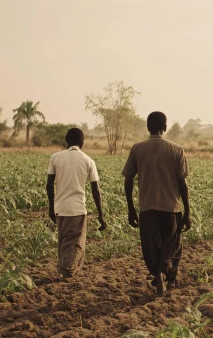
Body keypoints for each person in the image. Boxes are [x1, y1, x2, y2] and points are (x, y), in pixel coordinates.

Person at [122, 112, 191, 297]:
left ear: (147, 127)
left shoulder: (137, 149)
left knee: (151, 247)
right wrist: (187, 212)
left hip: (147, 207)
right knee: (173, 246)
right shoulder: (177, 149)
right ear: (165, 127)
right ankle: (169, 279)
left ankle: (158, 276)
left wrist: (131, 208)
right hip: (171, 207)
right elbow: (182, 184)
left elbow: (128, 180)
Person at [46, 128, 107, 279]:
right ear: (82, 142)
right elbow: (96, 190)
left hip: (60, 208)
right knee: (75, 243)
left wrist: (51, 207)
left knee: (63, 240)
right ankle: (67, 271)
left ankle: (64, 268)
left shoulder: (55, 157)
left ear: (66, 141)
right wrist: (101, 214)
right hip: (78, 208)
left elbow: (49, 185)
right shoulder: (88, 161)